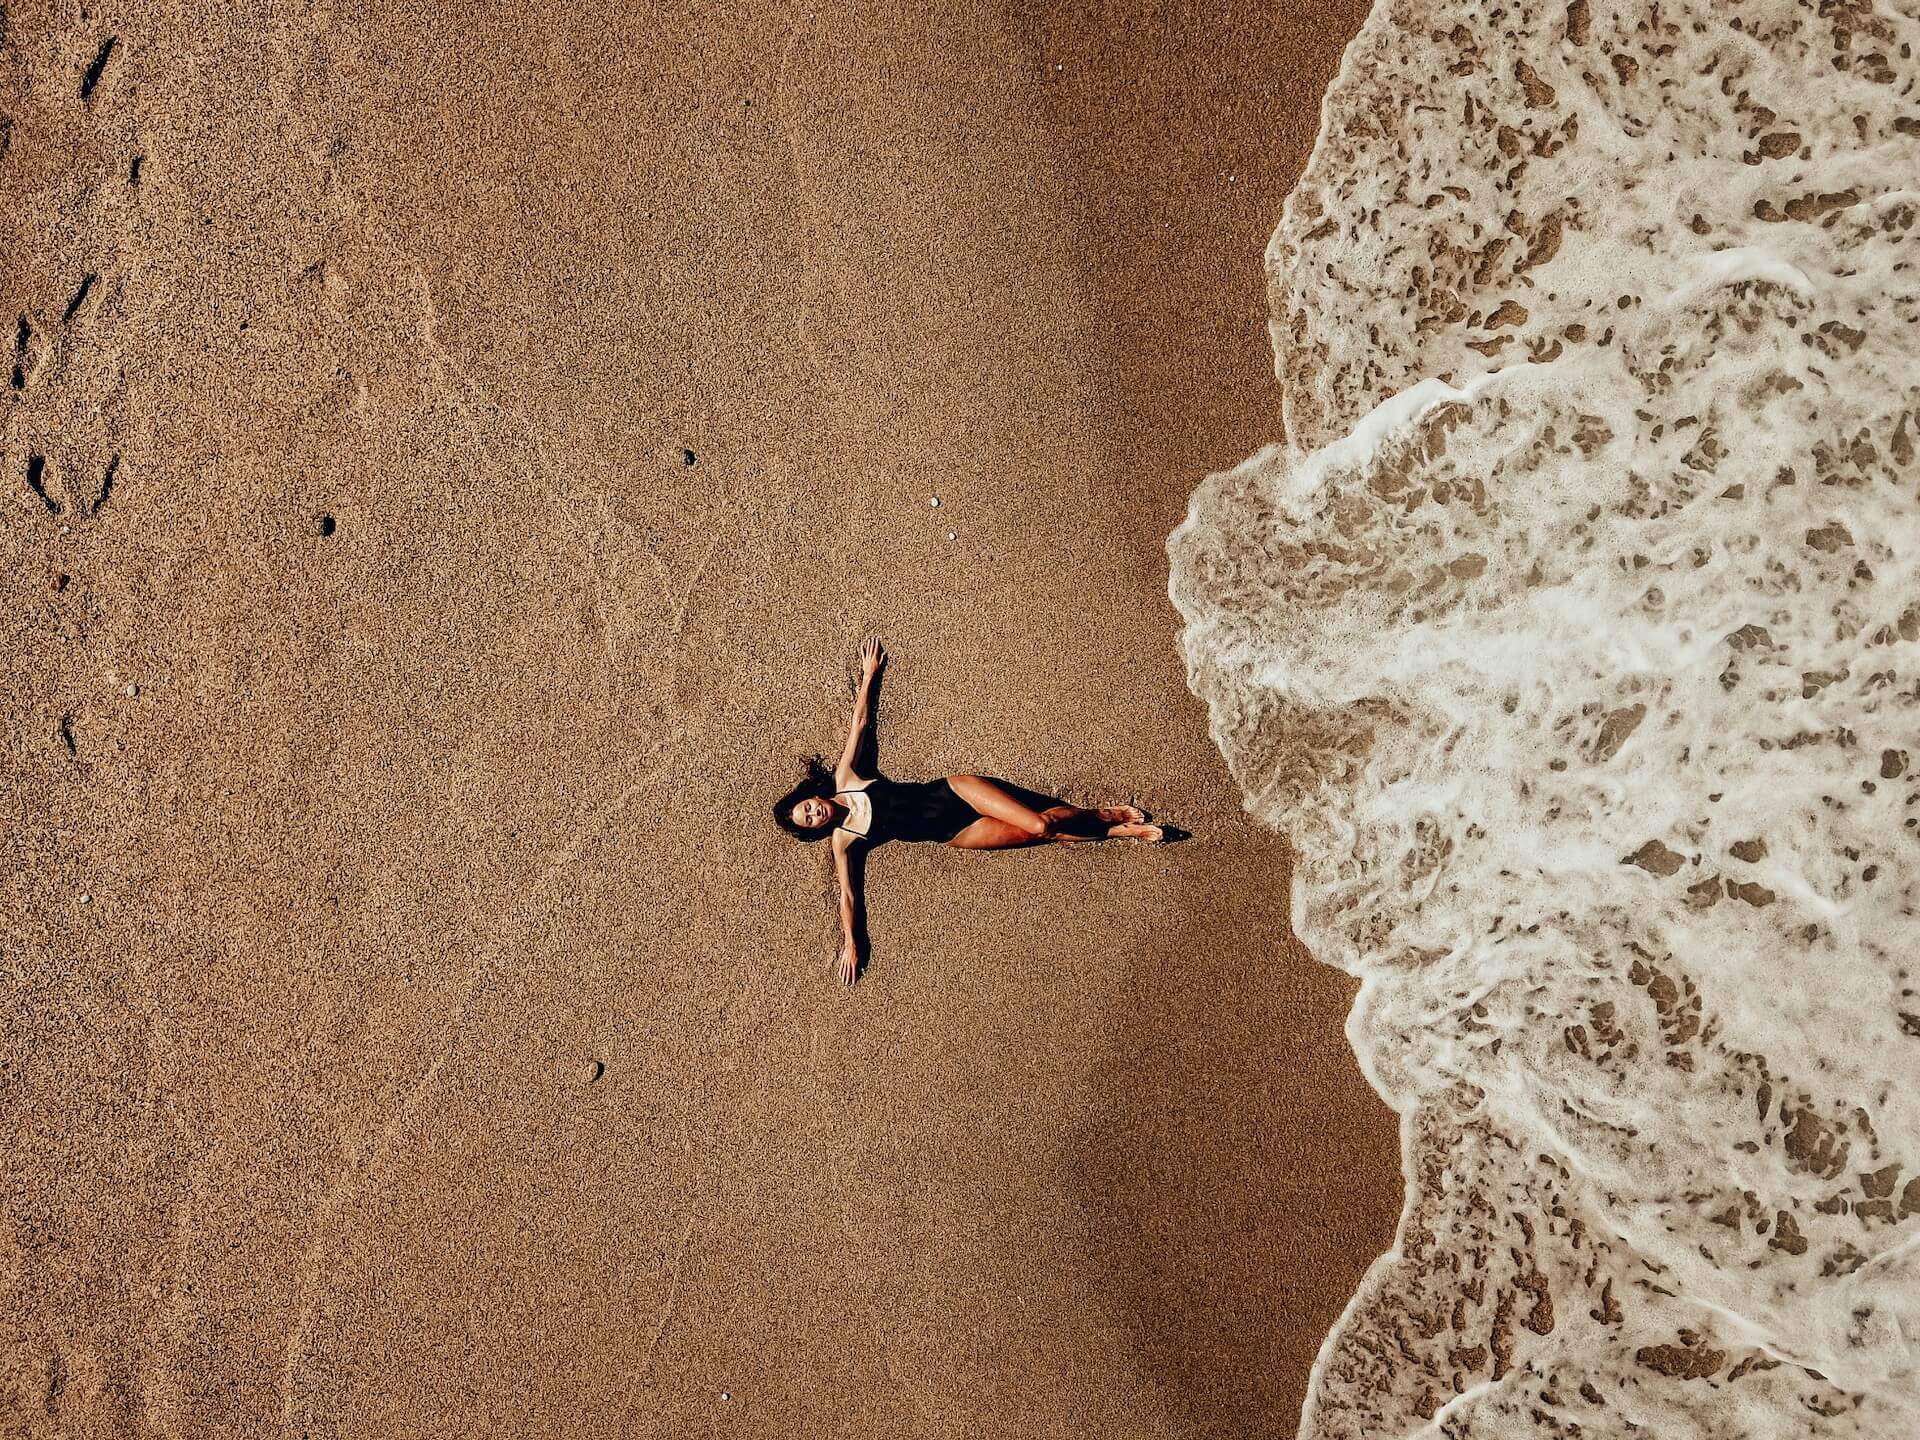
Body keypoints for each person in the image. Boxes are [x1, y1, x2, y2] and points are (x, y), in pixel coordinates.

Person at [773, 638, 1166, 984]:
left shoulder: (847, 777)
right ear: (815, 829)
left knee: (1039, 821)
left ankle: (1103, 815)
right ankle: (1118, 832)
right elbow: (848, 895)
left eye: (806, 807)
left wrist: (869, 675)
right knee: (1039, 835)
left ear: (811, 796)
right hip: (957, 835)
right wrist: (851, 943)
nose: (813, 814)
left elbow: (859, 724)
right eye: (808, 820)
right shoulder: (844, 841)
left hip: (957, 793)